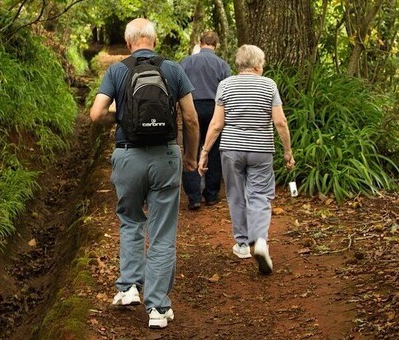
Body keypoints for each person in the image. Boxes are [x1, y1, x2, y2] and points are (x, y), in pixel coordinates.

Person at [90, 18, 199, 330]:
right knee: (162, 233)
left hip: (128, 156)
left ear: (128, 43)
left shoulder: (117, 70)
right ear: (155, 39)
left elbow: (96, 114)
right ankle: (157, 308)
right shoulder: (173, 69)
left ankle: (127, 289)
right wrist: (189, 156)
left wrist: (121, 119)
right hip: (166, 155)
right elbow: (190, 118)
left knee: (131, 220)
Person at [198, 44, 294, 275]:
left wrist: (204, 151)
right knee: (260, 195)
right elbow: (280, 122)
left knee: (235, 194)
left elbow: (217, 123)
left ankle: (242, 244)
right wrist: (287, 151)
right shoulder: (269, 85)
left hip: (231, 149)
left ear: (238, 65)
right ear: (258, 65)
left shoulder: (226, 85)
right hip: (261, 150)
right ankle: (260, 240)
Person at [179, 31, 231, 210]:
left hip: (191, 108)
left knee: (190, 150)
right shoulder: (222, 65)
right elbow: (227, 92)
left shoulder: (186, 62)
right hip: (215, 108)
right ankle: (211, 194)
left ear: (200, 43)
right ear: (216, 44)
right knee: (214, 149)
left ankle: (193, 196)